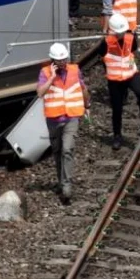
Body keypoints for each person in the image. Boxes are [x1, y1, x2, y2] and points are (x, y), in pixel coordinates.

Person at [38, 43, 90, 200]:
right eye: (59, 60)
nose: (62, 62)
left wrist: (87, 105)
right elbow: (40, 92)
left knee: (67, 149)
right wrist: (52, 78)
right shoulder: (45, 72)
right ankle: (61, 181)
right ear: (52, 60)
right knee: (57, 151)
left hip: (71, 118)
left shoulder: (74, 70)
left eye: (64, 59)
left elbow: (83, 88)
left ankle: (67, 185)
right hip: (53, 120)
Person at [97, 13, 140, 150]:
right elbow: (102, 58)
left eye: (123, 31)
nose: (121, 34)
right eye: (118, 32)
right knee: (117, 108)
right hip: (115, 80)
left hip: (131, 74)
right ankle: (117, 135)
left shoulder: (131, 38)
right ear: (112, 30)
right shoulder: (106, 43)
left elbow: (133, 52)